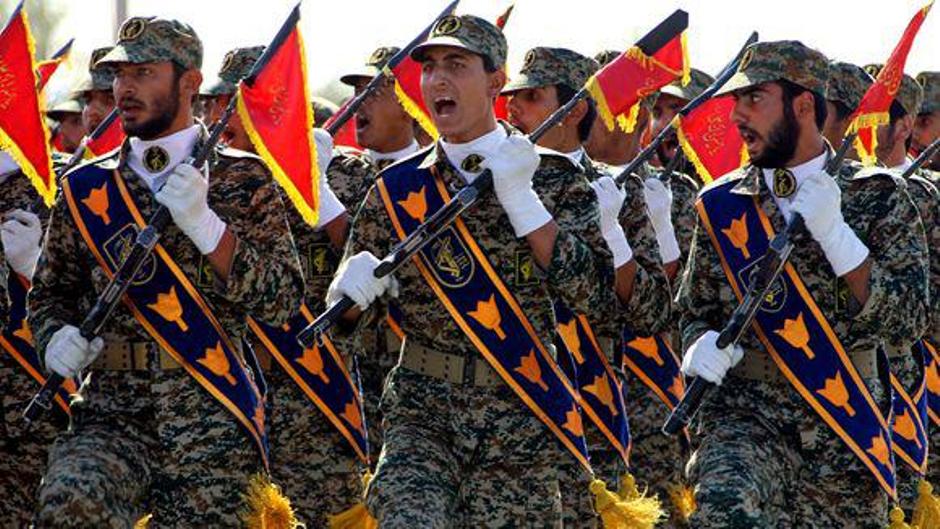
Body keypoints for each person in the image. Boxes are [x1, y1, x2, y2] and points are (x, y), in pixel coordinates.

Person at [331, 14, 614, 526]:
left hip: (520, 416)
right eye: (430, 67)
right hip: (420, 418)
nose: (438, 80)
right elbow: (346, 327)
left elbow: (595, 297)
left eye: (456, 65)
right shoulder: (396, 190)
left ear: (496, 82)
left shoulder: (550, 181)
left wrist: (523, 202)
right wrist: (347, 295)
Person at [31, 17, 304, 526]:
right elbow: (50, 294)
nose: (125, 88)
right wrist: (54, 337)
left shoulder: (243, 177)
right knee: (69, 503)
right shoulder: (85, 186)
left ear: (190, 82)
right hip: (111, 415)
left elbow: (283, 298)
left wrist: (208, 229)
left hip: (212, 412)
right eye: (119, 74)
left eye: (145, 72)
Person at [677, 40, 929, 527]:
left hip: (844, 421)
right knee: (723, 511)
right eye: (735, 101)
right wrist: (696, 344)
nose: (736, 117)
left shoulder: (876, 198)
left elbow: (908, 322)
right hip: (743, 417)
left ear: (804, 105)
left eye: (754, 99)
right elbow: (693, 310)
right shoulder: (721, 204)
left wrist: (839, 238)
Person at [503, 45, 670, 525]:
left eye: (531, 96)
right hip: (506, 398)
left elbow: (653, 310)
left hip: (589, 401)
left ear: (574, 108)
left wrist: (615, 235)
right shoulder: (487, 183)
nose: (514, 109)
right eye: (512, 95)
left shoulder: (618, 187)